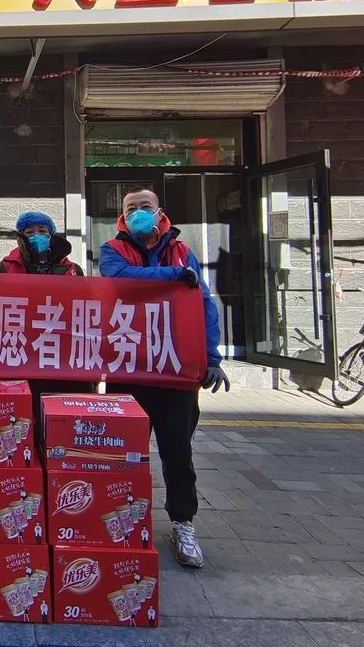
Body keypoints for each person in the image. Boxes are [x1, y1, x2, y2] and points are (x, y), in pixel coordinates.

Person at [99, 185, 228, 570]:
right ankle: (122, 520)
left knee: (178, 453)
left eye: (145, 206)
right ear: (122, 217)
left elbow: (203, 303)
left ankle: (183, 523)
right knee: (123, 454)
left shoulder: (183, 251)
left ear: (159, 212)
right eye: (131, 208)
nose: (138, 212)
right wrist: (175, 276)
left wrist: (212, 357)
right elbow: (122, 280)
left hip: (174, 370)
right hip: (129, 368)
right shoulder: (113, 250)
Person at [0, 211, 95, 446]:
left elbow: (86, 314)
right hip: (21, 363)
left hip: (64, 364)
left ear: (52, 235)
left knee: (65, 433)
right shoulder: (1, 270)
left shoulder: (72, 270)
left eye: (42, 231)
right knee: (25, 434)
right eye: (29, 232)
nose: (36, 236)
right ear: (20, 237)